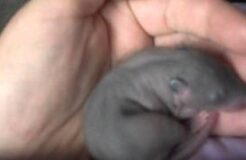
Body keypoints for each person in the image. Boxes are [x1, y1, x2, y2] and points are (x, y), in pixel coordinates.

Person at [0, 0, 246, 159]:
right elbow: (179, 107)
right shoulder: (172, 88)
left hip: (110, 131)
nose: (239, 95)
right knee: (173, 132)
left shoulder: (164, 70)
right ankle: (185, 140)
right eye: (219, 96)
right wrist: (197, 129)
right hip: (127, 141)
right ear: (179, 91)